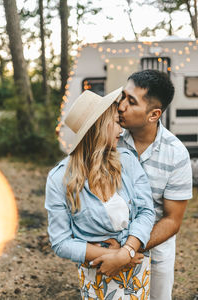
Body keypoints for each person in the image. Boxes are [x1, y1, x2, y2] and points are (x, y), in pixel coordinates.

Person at [45, 87, 155, 299]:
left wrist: (126, 252)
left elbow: (146, 212)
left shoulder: (128, 161)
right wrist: (113, 255)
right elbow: (61, 242)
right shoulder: (59, 179)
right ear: (98, 126)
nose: (120, 130)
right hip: (97, 272)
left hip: (136, 267)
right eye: (115, 122)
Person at [92, 70, 193, 300]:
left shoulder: (176, 155)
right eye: (123, 96)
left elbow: (172, 219)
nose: (121, 106)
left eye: (132, 102)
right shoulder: (110, 141)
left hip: (156, 252)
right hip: (108, 247)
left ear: (153, 114)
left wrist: (129, 249)